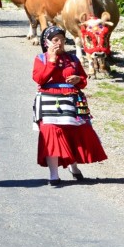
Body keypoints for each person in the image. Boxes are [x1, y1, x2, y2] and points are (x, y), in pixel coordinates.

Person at [32, 26, 108, 186]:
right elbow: (39, 79)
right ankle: (54, 175)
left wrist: (78, 80)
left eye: (62, 40)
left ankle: (73, 166)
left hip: (71, 102)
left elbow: (83, 80)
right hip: (48, 102)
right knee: (51, 135)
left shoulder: (72, 59)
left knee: (72, 134)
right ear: (47, 42)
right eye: (55, 40)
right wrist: (52, 61)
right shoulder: (41, 59)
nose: (59, 43)